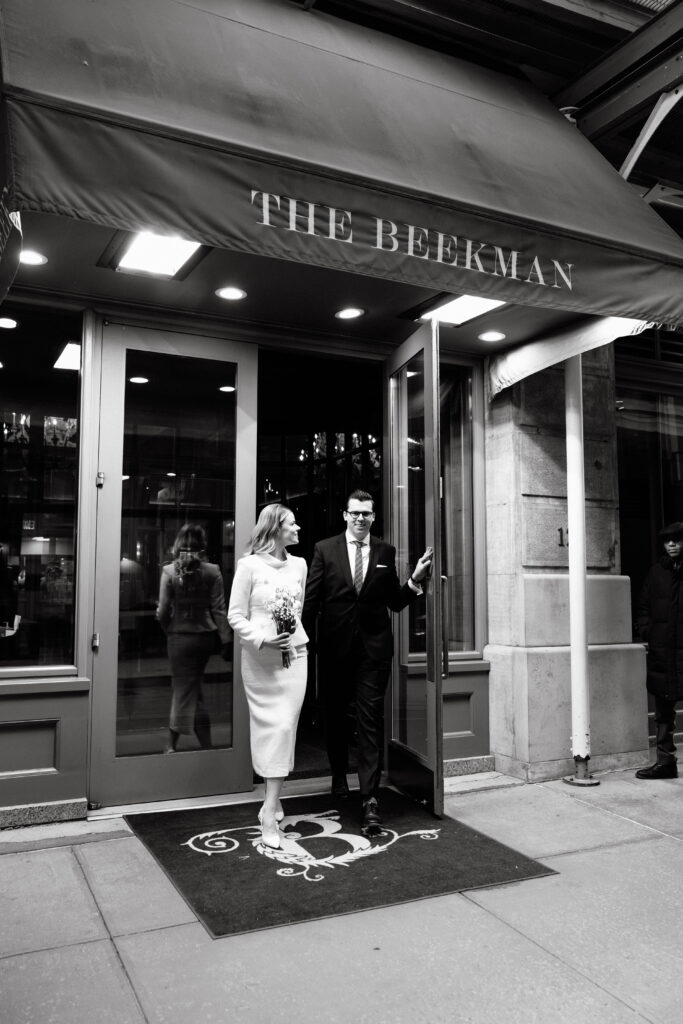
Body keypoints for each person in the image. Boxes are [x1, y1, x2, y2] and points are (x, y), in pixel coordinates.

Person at [303, 489, 433, 833]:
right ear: (345, 515)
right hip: (333, 651)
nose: (361, 519)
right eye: (355, 513)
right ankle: (337, 773)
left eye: (367, 514)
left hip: (373, 653)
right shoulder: (324, 549)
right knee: (335, 715)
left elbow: (393, 601)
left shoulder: (385, 552)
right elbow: (312, 602)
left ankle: (370, 799)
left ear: (374, 518)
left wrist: (414, 580)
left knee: (369, 721)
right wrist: (303, 645)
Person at [228, 504, 308, 849]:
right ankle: (271, 801)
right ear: (275, 529)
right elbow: (234, 615)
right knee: (269, 729)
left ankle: (269, 806)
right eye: (292, 524)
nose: (298, 528)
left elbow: (298, 609)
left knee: (285, 727)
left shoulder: (300, 565)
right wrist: (263, 638)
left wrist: (287, 638)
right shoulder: (248, 566)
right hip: (260, 661)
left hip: (293, 657)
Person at [157, 524, 230, 753]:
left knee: (182, 690)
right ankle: (207, 746)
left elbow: (162, 611)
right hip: (205, 637)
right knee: (193, 690)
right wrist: (226, 639)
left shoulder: (169, 571)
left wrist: (168, 628)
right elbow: (219, 609)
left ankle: (170, 746)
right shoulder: (213, 571)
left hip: (179, 637)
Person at [635, 521, 683, 780]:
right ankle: (665, 762)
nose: (672, 544)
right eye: (668, 541)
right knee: (664, 713)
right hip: (663, 654)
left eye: (677, 539)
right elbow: (643, 607)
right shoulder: (656, 573)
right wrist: (648, 631)